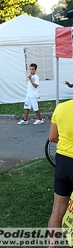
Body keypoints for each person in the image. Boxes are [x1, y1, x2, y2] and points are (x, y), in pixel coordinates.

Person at [47, 99, 73, 248]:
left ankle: (52, 246)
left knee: (57, 209)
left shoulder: (61, 107)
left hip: (63, 161)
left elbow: (52, 137)